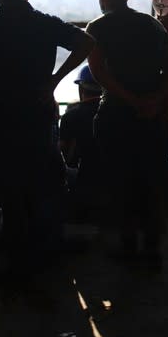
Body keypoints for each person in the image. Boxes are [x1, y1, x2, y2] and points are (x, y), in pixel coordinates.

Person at [0, 0, 94, 281]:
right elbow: (87, 43)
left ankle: (15, 256)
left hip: (0, 118)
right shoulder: (44, 24)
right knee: (43, 184)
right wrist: (54, 80)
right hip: (38, 117)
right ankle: (44, 250)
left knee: (8, 188)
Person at [86, 0, 168, 265]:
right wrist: (153, 100)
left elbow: (99, 72)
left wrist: (130, 99)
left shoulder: (98, 28)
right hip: (152, 117)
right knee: (151, 181)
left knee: (120, 181)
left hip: (116, 114)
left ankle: (128, 245)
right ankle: (152, 247)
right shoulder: (152, 25)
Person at [59, 65, 104, 222]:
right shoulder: (113, 114)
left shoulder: (70, 116)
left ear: (81, 88)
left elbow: (62, 153)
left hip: (80, 180)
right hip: (110, 181)